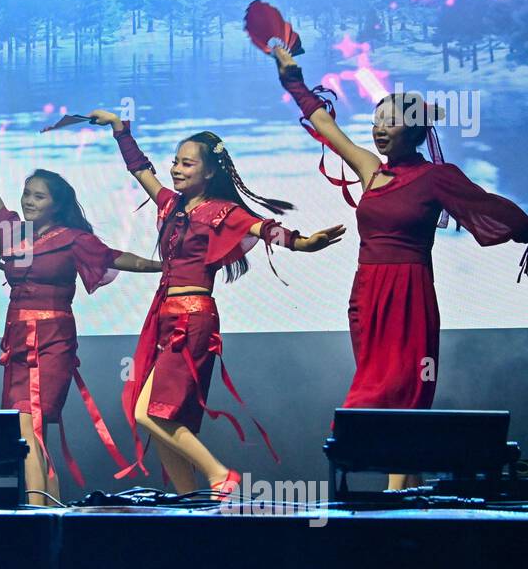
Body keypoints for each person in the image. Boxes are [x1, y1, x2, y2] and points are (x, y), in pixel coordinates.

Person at [272, 44, 528, 488]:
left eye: (389, 120)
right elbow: (325, 124)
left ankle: (398, 507)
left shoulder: (436, 177)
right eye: (375, 120)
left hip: (409, 295)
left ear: (414, 129)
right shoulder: (371, 170)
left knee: (399, 398)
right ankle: (404, 507)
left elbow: (500, 211)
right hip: (368, 297)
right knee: (379, 393)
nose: (377, 129)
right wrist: (291, 77)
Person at [90, 108, 345, 498]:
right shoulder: (171, 206)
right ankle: (188, 498)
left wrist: (304, 242)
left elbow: (264, 227)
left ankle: (220, 475)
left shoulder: (223, 212)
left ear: (209, 172)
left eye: (187, 163)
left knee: (149, 412)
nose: (176, 168)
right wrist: (120, 130)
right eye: (175, 161)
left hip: (192, 320)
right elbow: (140, 169)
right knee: (165, 421)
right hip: (165, 316)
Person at [0, 119, 162, 503]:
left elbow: (118, 258)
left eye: (38, 196)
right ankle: (47, 508)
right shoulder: (14, 233)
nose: (28, 201)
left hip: (53, 341)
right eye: (26, 194)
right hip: (18, 345)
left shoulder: (73, 239)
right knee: (24, 429)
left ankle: (38, 510)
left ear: (57, 204)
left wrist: (163, 266)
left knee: (31, 424)